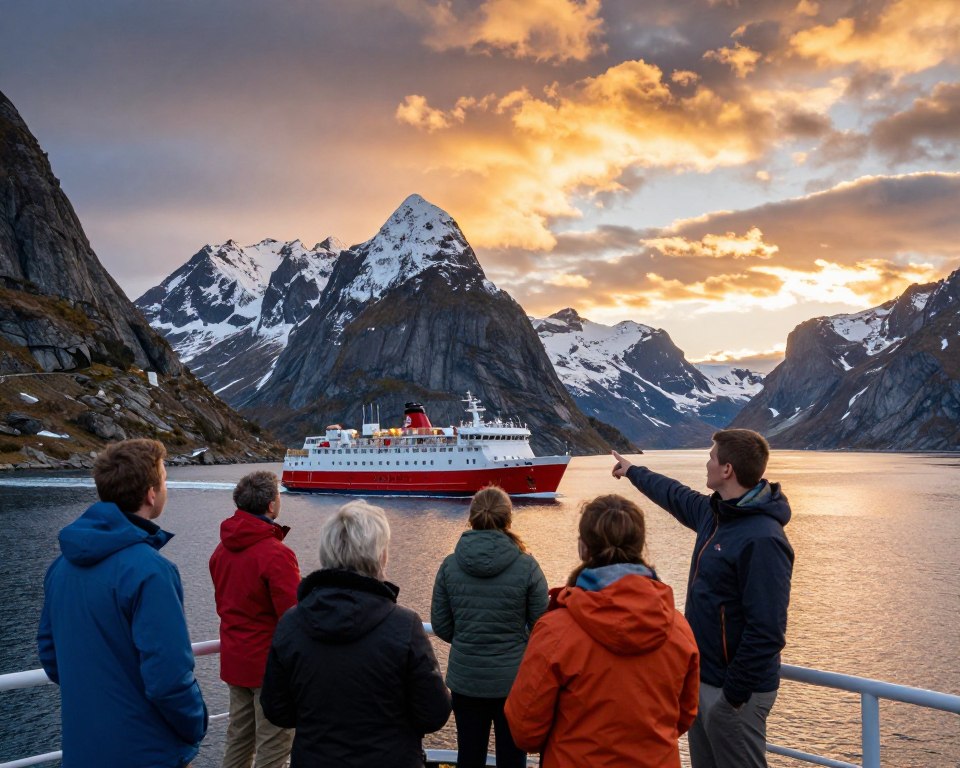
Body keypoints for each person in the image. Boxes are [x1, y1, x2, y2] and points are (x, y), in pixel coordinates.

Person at [612, 428, 794, 768]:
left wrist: (732, 697)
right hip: (705, 682)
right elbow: (675, 495)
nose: (706, 463)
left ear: (727, 470)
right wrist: (634, 472)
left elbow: (767, 630)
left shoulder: (763, 539)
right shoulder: (717, 514)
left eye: (711, 457)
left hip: (734, 692)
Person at [37, 438, 208, 767]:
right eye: (164, 478)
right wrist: (196, 726)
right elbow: (168, 678)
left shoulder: (60, 568)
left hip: (83, 749)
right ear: (151, 494)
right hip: (147, 752)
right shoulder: (151, 572)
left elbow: (50, 652)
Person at [504, 494, 699, 767]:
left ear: (584, 548)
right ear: (640, 546)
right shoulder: (678, 629)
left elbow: (525, 730)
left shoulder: (556, 631)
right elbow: (684, 715)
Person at [260, 500, 451, 767]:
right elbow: (433, 714)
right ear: (380, 555)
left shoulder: (291, 624)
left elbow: (277, 710)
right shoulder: (404, 625)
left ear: (326, 551)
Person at [431, 486, 548, 768]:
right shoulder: (527, 566)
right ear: (508, 518)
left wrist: (467, 639)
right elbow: (541, 626)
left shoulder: (450, 565)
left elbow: (441, 625)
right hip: (512, 681)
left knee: (469, 756)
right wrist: (516, 642)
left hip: (466, 679)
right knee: (512, 757)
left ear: (472, 518)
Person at [210, 471, 300, 768]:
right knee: (273, 748)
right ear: (271, 505)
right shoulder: (276, 555)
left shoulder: (220, 552)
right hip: (269, 669)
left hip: (235, 662)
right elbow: (292, 616)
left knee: (239, 740)